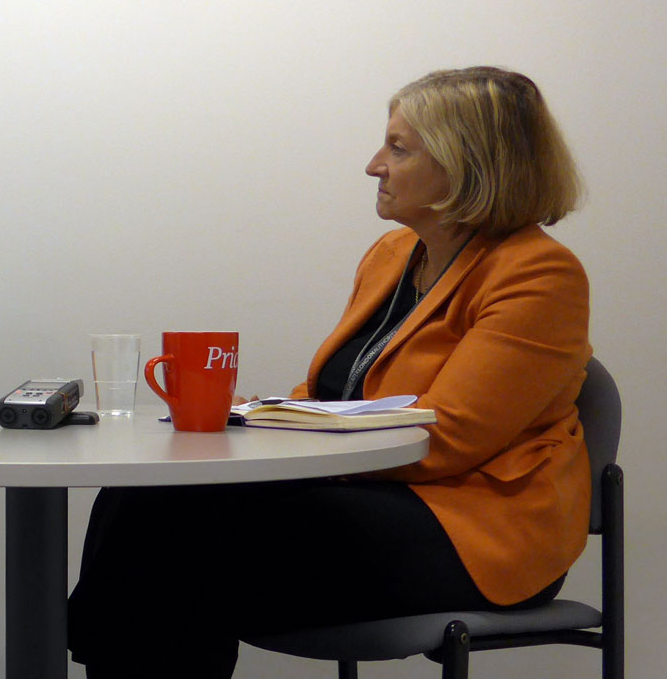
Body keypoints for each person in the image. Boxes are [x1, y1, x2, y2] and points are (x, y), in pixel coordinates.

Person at [68, 67, 591, 678]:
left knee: (178, 538)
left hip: (474, 530)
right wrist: (253, 422)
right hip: (368, 497)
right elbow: (331, 395)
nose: (375, 165)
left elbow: (447, 438)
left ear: (466, 164)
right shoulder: (394, 255)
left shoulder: (539, 275)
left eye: (399, 148)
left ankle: (81, 643)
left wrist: (285, 442)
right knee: (148, 497)